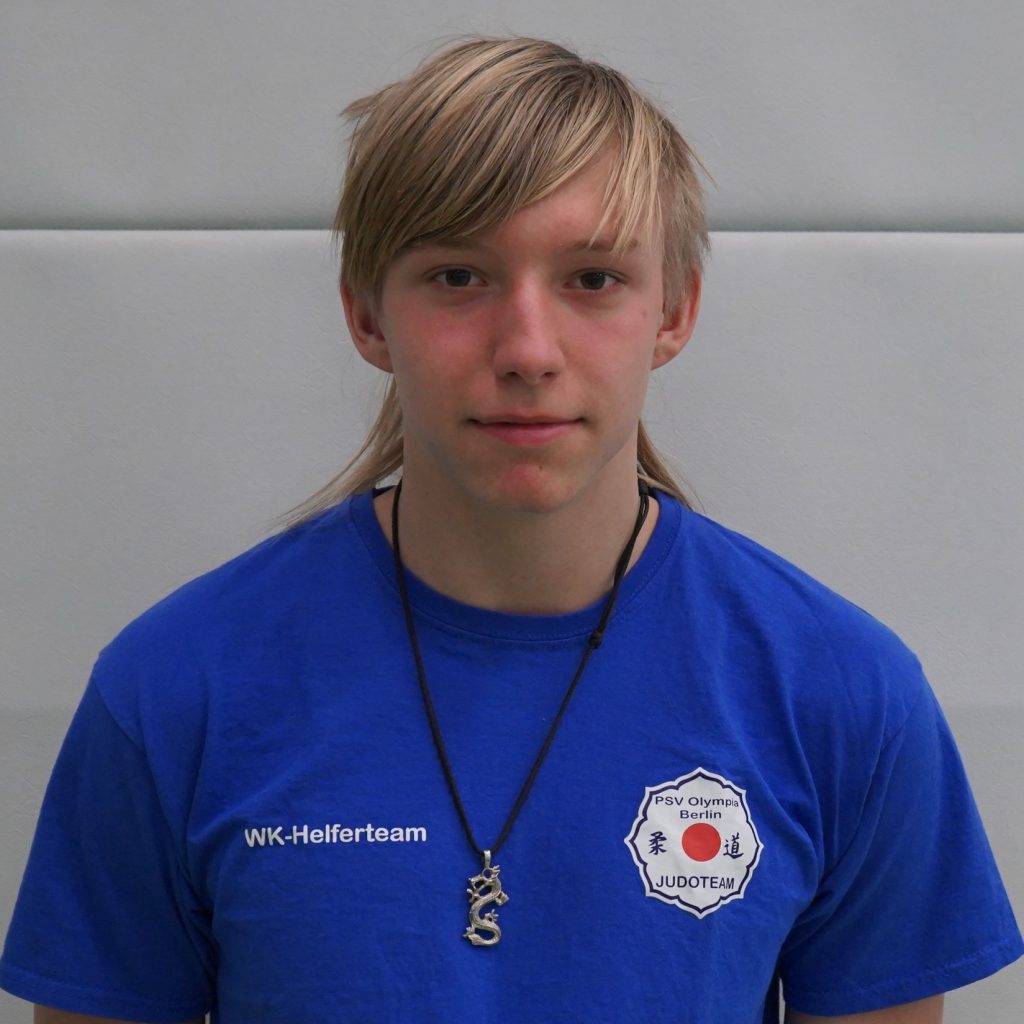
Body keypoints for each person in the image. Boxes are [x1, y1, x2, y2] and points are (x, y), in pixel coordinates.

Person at [1, 35, 1021, 1024]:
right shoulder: (176, 690)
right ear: (366, 313)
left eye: (592, 279)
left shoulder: (841, 695)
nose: (528, 349)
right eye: (459, 276)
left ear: (673, 311)